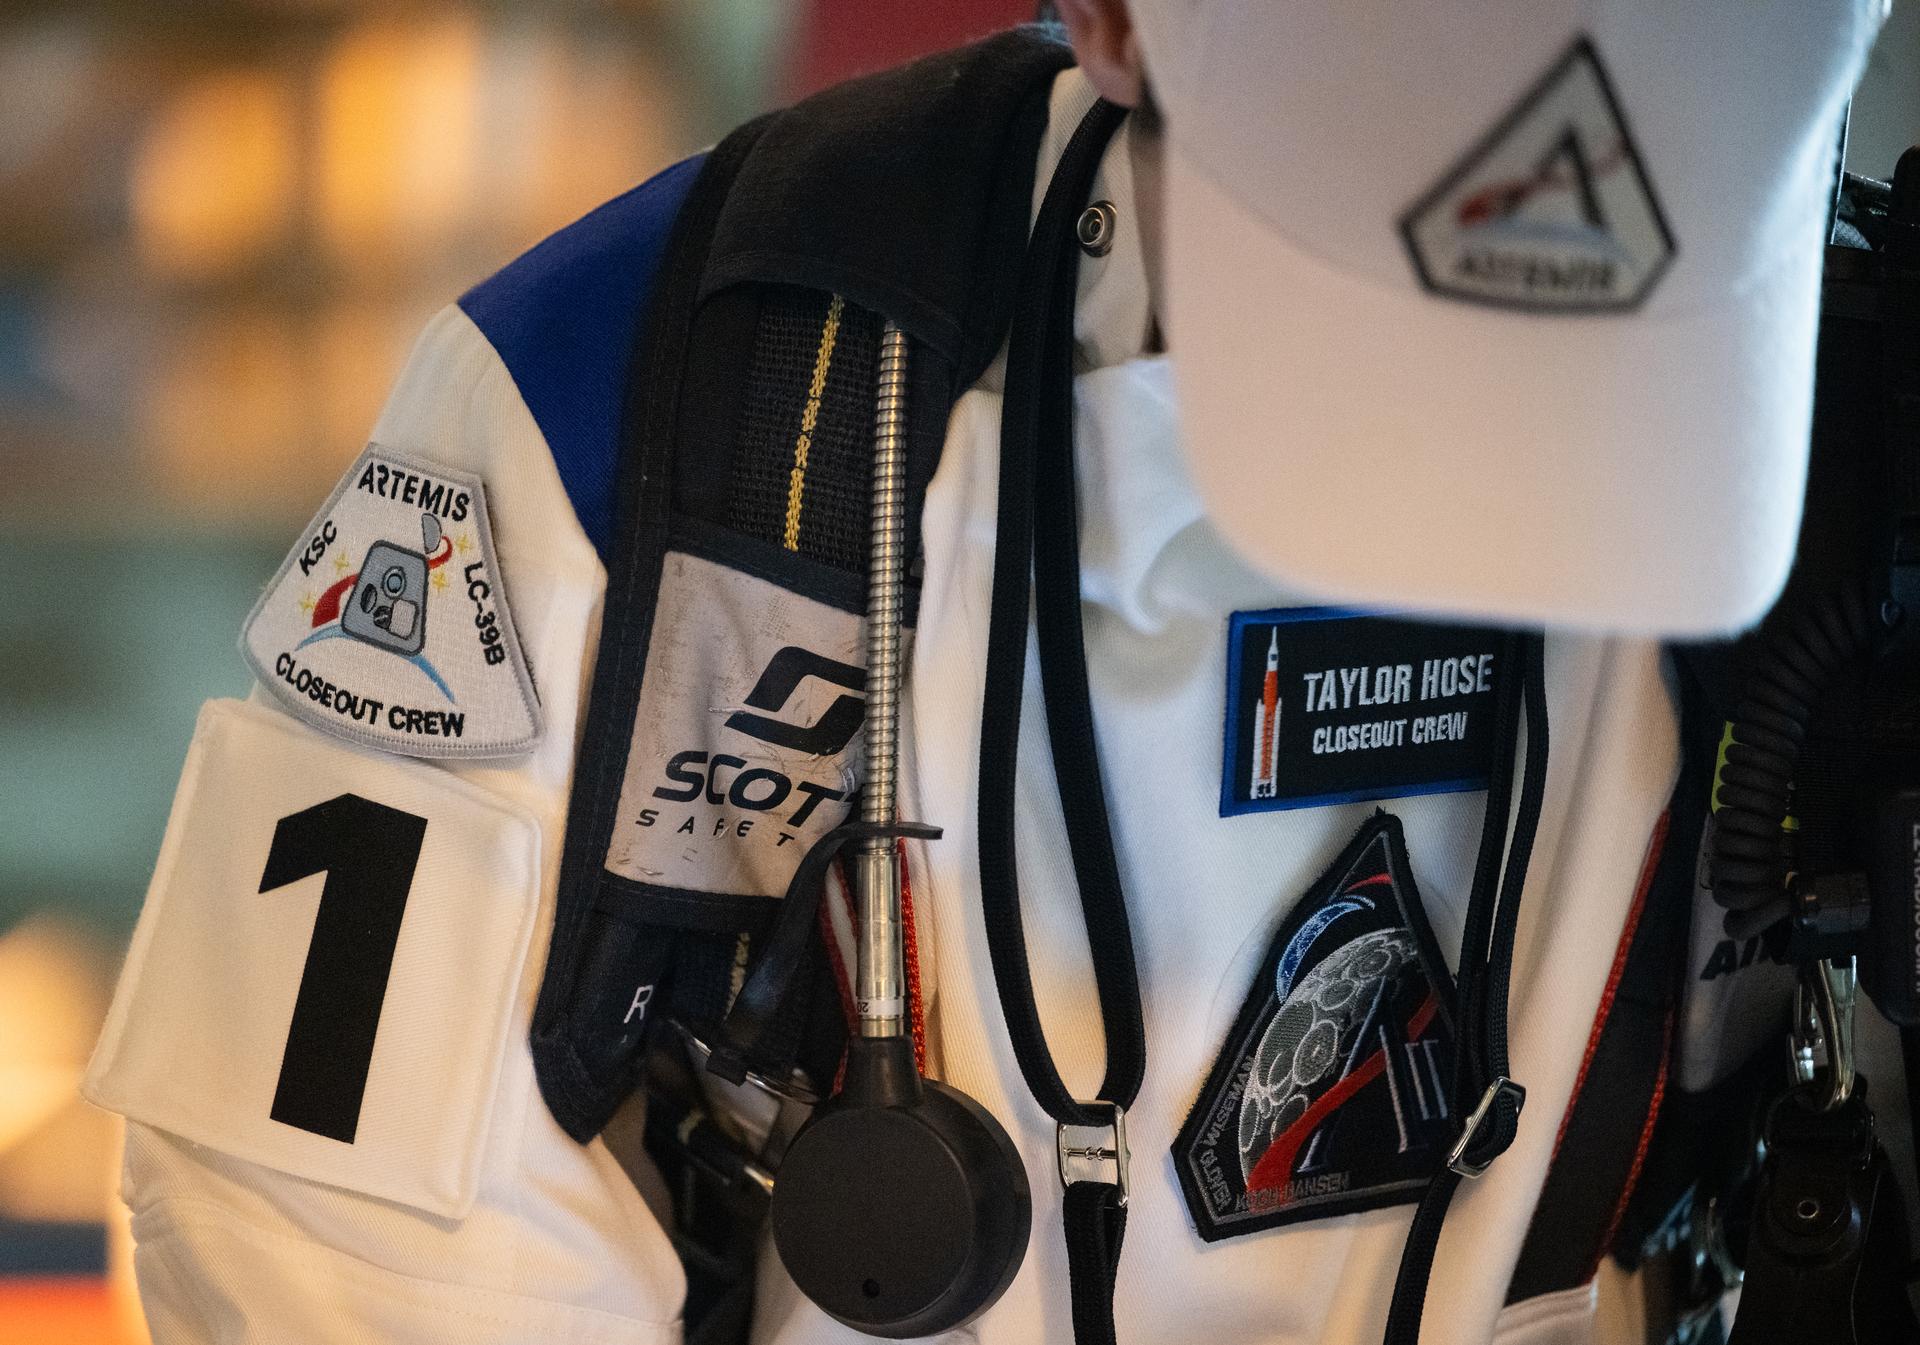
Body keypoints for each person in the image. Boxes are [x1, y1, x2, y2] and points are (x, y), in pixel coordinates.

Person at [81, 2, 1891, 1342]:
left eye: (1600, 350)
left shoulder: (1865, 489)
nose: (1482, 440)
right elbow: (327, 1243)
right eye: (1375, 322)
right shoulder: (644, 412)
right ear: (1108, 21)